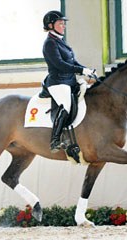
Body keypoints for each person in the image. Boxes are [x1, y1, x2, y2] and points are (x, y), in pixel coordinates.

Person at [42, 10, 96, 153]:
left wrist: (86, 69)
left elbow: (72, 61)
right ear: (50, 25)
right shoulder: (49, 44)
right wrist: (80, 71)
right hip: (58, 82)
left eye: (63, 23)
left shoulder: (60, 41)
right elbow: (60, 64)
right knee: (66, 105)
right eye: (61, 23)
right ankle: (55, 139)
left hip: (69, 80)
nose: (64, 26)